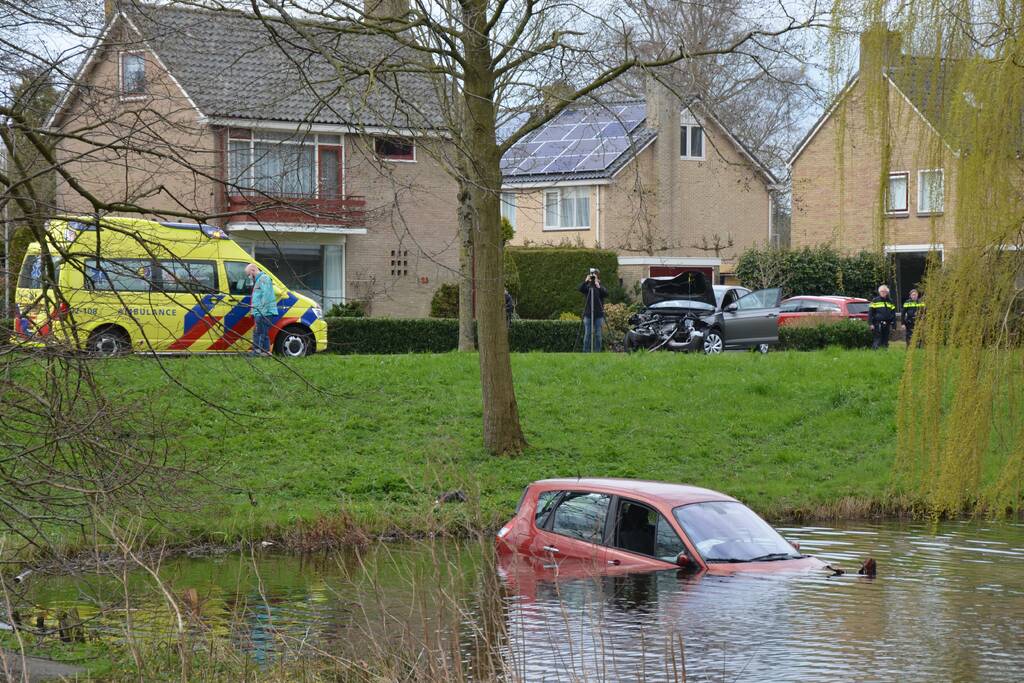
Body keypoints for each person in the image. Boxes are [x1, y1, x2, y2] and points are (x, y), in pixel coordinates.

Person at [246, 263, 277, 355]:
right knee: (262, 332)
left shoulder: (263, 279)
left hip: (264, 312)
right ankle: (265, 351)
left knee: (259, 332)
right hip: (260, 311)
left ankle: (258, 351)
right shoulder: (259, 280)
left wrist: (261, 312)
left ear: (253, 270)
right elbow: (257, 297)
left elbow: (266, 296)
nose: (249, 277)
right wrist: (253, 312)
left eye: (248, 274)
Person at [578, 268, 608, 352]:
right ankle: (585, 352)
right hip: (588, 314)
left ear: (598, 277)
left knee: (598, 334)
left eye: (595, 276)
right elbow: (580, 289)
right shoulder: (587, 287)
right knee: (587, 334)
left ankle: (597, 352)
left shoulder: (600, 287)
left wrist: (597, 285)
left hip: (598, 314)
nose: (593, 278)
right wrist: (586, 281)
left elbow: (606, 293)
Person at [868, 284, 897, 350]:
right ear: (879, 292)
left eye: (885, 291)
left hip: (887, 323)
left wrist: (894, 325)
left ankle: (884, 352)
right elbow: (870, 313)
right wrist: (870, 324)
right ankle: (875, 352)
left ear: (887, 292)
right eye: (882, 291)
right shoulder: (875, 300)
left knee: (885, 339)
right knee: (877, 339)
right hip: (877, 323)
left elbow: (893, 314)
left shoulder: (890, 301)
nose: (884, 293)